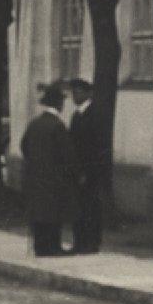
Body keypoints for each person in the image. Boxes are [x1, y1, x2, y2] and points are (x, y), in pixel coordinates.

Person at [19, 83, 77, 257]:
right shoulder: (57, 126)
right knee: (53, 212)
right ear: (59, 104)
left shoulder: (35, 124)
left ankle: (40, 246)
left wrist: (35, 163)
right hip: (54, 178)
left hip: (35, 176)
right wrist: (71, 172)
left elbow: (24, 146)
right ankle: (53, 247)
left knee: (39, 211)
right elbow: (67, 154)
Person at [67, 78, 110, 255]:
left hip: (90, 172)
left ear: (87, 93)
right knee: (78, 207)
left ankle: (92, 243)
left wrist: (88, 171)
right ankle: (79, 242)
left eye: (78, 92)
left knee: (91, 207)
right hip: (77, 171)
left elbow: (98, 147)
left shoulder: (95, 115)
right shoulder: (76, 115)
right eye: (73, 92)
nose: (74, 96)